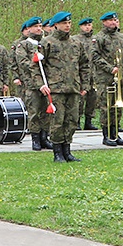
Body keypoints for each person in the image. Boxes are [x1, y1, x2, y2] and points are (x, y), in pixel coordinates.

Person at [39, 11, 89, 162]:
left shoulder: (76, 43)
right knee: (57, 120)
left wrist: (85, 84)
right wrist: (40, 84)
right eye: (63, 23)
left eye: (68, 23)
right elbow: (36, 66)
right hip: (55, 89)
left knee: (72, 120)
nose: (67, 26)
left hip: (73, 87)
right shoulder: (47, 43)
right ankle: (57, 152)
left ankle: (67, 150)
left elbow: (84, 65)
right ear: (56, 25)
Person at [14, 17, 52, 151]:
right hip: (31, 84)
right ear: (28, 29)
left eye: (40, 26)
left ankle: (44, 137)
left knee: (46, 112)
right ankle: (35, 139)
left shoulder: (46, 43)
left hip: (47, 83)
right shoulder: (23, 45)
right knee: (34, 112)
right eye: (36, 26)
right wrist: (34, 61)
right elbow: (22, 63)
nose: (39, 29)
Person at [91, 11, 123, 146]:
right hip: (105, 78)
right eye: (110, 20)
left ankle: (115, 133)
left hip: (121, 77)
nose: (113, 22)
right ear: (104, 22)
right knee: (106, 106)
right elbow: (94, 56)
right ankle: (107, 135)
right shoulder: (99, 38)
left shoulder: (122, 37)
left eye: (115, 20)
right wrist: (109, 68)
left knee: (118, 107)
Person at [75, 18, 98, 130]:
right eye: (85, 25)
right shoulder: (76, 39)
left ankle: (89, 121)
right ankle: (77, 121)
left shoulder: (96, 39)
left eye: (89, 25)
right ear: (80, 27)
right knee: (80, 98)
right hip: (81, 73)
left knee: (92, 98)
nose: (87, 27)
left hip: (94, 73)